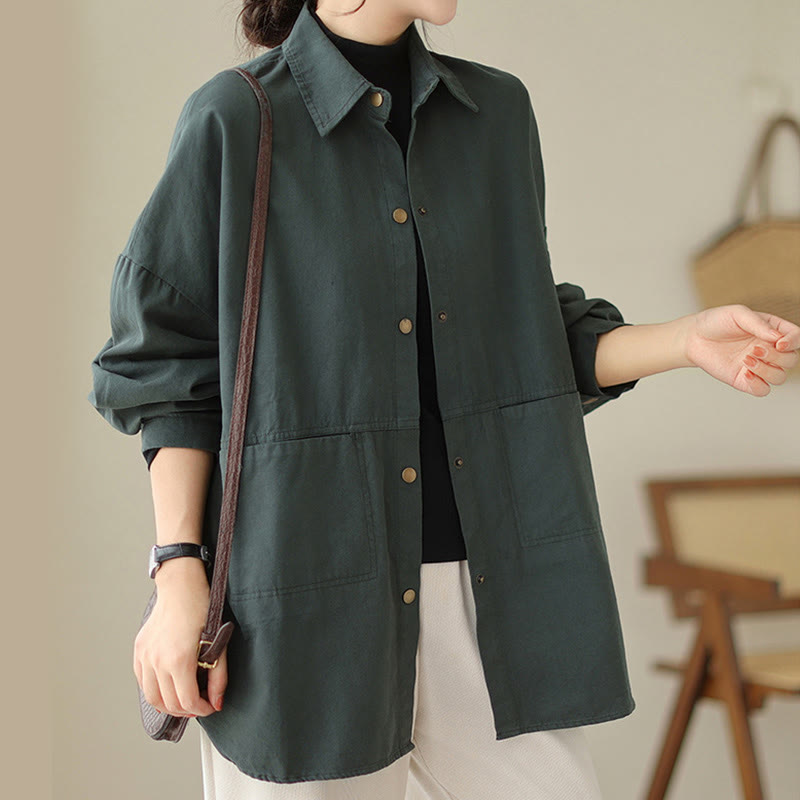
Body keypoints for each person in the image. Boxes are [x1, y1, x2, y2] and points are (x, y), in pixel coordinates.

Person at [86, 0, 800, 797]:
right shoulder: (237, 118)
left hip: (491, 590)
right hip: (303, 599)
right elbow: (167, 363)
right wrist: (178, 574)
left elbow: (521, 340)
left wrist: (687, 340)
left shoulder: (497, 113)